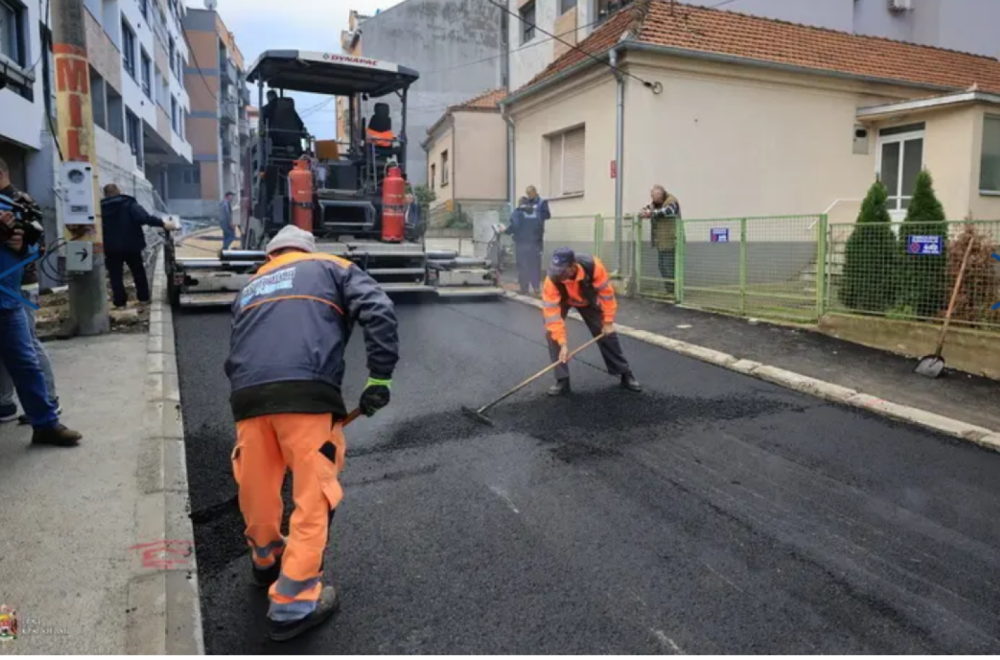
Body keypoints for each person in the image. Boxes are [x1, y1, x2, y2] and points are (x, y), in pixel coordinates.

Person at [224, 224, 399, 641]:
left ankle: (264, 560)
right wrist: (380, 377)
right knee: (312, 492)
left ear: (271, 256)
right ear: (307, 250)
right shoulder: (332, 266)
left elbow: (238, 346)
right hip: (306, 393)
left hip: (248, 397)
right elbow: (379, 309)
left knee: (258, 484)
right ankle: (293, 604)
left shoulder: (251, 286)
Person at [0, 158, 82, 446]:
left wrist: (21, 244)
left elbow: (37, 245)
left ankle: (46, 422)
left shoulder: (20, 203)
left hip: (10, 298)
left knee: (26, 360)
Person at [542, 247, 641, 396]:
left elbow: (607, 295)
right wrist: (562, 343)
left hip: (587, 300)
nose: (559, 274)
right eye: (556, 270)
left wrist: (608, 322)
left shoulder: (593, 266)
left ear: (573, 265)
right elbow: (552, 315)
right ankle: (562, 380)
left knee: (606, 333)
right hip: (564, 300)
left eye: (563, 271)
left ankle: (625, 373)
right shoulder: (552, 279)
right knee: (552, 335)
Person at [100, 184, 179, 309]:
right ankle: (143, 299)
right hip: (132, 245)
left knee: (115, 275)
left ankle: (120, 303)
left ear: (105, 194)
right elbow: (144, 218)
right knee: (138, 272)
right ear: (119, 191)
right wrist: (163, 223)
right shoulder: (128, 203)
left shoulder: (100, 208)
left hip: (111, 248)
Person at [504, 185, 550, 295]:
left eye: (530, 193)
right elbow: (539, 224)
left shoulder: (519, 211)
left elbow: (515, 226)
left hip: (523, 242)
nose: (529, 196)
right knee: (534, 265)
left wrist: (506, 231)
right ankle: (536, 288)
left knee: (523, 265)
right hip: (535, 242)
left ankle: (524, 289)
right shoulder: (534, 212)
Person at [638, 185, 680, 294]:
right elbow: (647, 209)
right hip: (661, 241)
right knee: (662, 266)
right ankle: (669, 290)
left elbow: (668, 211)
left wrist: (651, 213)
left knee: (669, 266)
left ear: (659, 195)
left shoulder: (671, 201)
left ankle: (674, 291)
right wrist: (643, 212)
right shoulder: (655, 203)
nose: (651, 197)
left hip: (671, 240)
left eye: (653, 195)